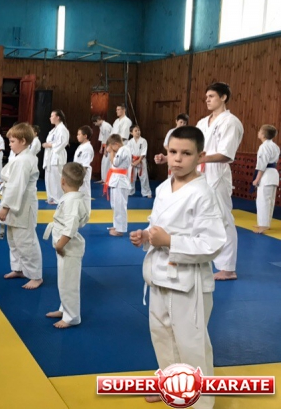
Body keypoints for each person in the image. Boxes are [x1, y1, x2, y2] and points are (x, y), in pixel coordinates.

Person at [130, 126, 226, 409]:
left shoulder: (204, 193)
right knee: (162, 335)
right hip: (159, 275)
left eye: (186, 153)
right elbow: (158, 225)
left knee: (191, 343)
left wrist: (170, 241)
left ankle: (200, 402)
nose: (178, 159)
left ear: (200, 157)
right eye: (173, 152)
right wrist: (146, 235)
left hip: (188, 282)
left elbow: (213, 243)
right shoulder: (163, 188)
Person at [156, 83, 243, 281]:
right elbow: (190, 148)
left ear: (223, 97)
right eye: (206, 96)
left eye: (211, 96)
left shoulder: (231, 122)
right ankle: (199, 254)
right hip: (199, 173)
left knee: (223, 218)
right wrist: (168, 158)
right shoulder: (203, 122)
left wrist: (199, 159)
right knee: (196, 215)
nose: (207, 99)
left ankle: (228, 267)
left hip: (217, 175)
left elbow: (226, 154)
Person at [0, 124, 43, 290]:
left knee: (26, 241)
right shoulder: (22, 157)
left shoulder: (24, 160)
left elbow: (17, 186)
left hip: (22, 205)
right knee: (13, 239)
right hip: (17, 202)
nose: (9, 144)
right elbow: (13, 181)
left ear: (23, 141)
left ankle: (36, 276)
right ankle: (19, 269)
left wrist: (5, 207)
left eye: (12, 141)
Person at [44, 163, 89, 327]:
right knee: (64, 282)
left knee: (69, 284)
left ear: (62, 181)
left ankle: (72, 317)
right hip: (66, 247)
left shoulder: (72, 201)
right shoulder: (71, 197)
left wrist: (59, 246)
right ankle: (65, 309)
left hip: (68, 248)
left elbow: (70, 227)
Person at [253, 124, 280, 234]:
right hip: (273, 174)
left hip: (266, 175)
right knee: (270, 201)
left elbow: (262, 164)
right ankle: (264, 223)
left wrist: (257, 179)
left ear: (263, 134)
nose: (258, 132)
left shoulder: (264, 147)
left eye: (260, 131)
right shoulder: (275, 146)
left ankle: (263, 225)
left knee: (263, 201)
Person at [104, 134, 132, 236]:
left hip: (120, 182)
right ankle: (117, 225)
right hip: (116, 180)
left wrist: (111, 152)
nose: (111, 150)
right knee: (115, 205)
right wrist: (112, 151)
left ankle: (120, 229)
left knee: (120, 206)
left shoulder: (124, 149)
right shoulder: (122, 150)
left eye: (112, 147)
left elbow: (115, 163)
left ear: (116, 144)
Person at [42, 110, 70, 205]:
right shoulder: (54, 129)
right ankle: (51, 197)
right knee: (49, 178)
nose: (50, 118)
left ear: (58, 117)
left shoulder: (62, 129)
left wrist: (50, 145)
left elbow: (63, 142)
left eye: (52, 116)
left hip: (57, 156)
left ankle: (59, 198)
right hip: (50, 157)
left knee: (57, 178)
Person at [73, 126, 94, 214]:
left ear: (85, 136)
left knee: (84, 193)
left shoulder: (88, 148)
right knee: (78, 194)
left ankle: (86, 213)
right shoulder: (81, 146)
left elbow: (85, 165)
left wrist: (79, 177)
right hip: (77, 173)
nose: (77, 136)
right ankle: (80, 212)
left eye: (79, 134)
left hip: (82, 174)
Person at [127, 125, 152, 198]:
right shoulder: (129, 142)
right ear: (131, 133)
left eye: (139, 130)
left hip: (141, 161)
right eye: (136, 131)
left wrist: (138, 161)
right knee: (131, 177)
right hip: (132, 161)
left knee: (144, 177)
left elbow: (144, 153)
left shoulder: (143, 141)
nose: (138, 132)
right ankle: (130, 191)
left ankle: (146, 192)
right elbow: (128, 153)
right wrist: (131, 162)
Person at [92, 115, 113, 183]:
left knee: (107, 164)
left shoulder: (106, 126)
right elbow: (102, 139)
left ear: (98, 120)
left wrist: (106, 149)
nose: (95, 125)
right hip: (106, 146)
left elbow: (108, 139)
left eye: (95, 123)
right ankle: (103, 179)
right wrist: (101, 148)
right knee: (103, 163)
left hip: (110, 147)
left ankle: (107, 180)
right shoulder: (101, 126)